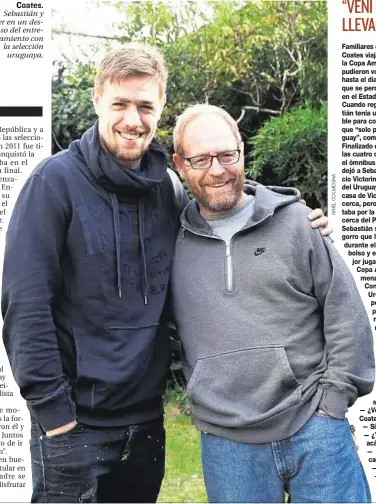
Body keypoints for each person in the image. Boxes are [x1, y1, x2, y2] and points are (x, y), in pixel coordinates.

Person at [2, 45, 331, 503]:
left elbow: (217, 196)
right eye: (120, 104)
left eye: (145, 106)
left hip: (145, 425)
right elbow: (25, 306)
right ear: (98, 100)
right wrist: (55, 419)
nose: (132, 119)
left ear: (159, 109)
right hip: (73, 426)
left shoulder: (167, 189)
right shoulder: (53, 184)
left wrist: (285, 210)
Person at [171, 103, 375, 503]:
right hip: (227, 443)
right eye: (201, 159)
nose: (217, 170)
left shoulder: (298, 223)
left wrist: (332, 404)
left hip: (315, 429)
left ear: (241, 151)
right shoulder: (169, 240)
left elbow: (345, 316)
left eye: (227, 155)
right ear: (180, 165)